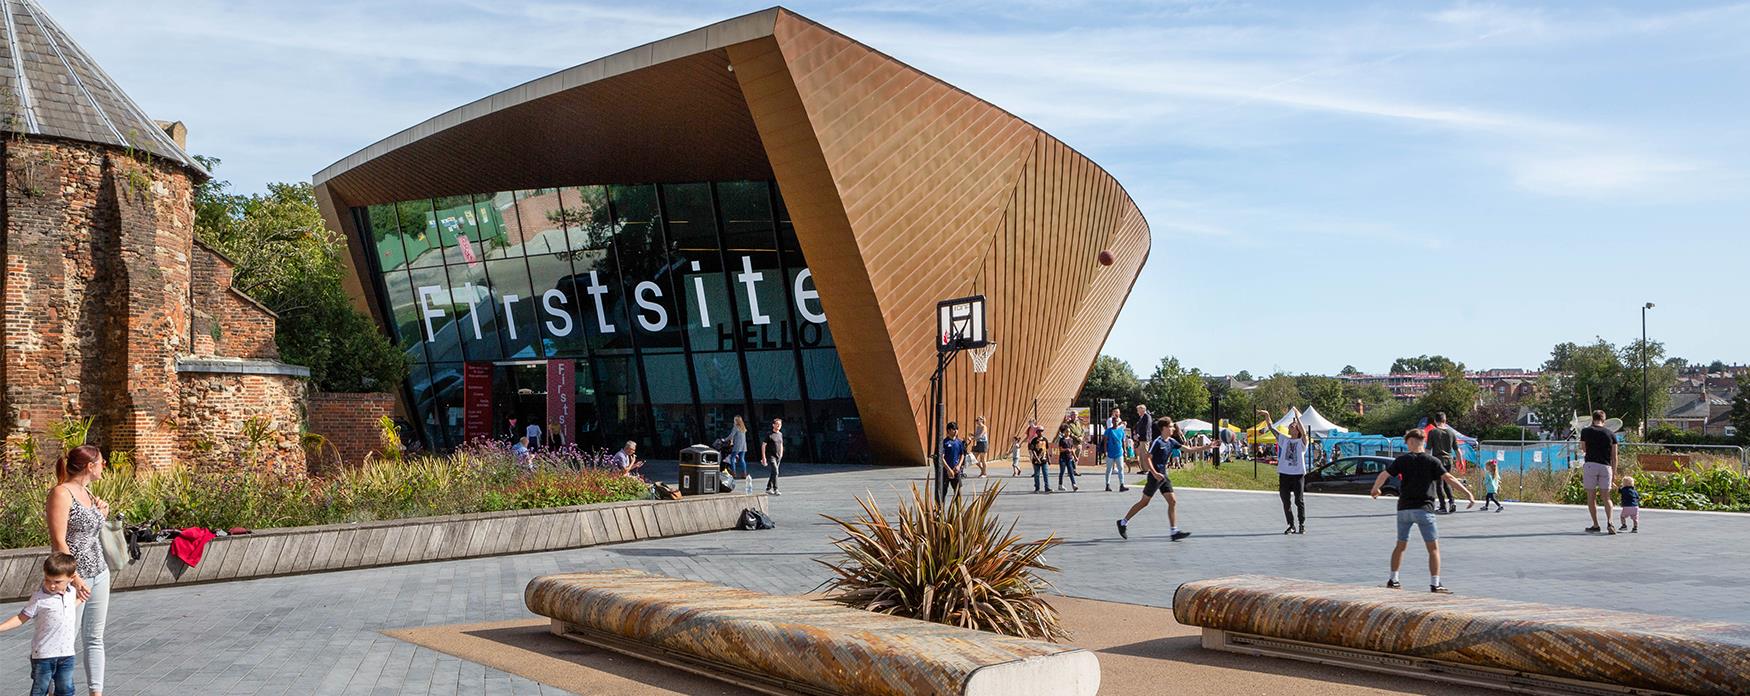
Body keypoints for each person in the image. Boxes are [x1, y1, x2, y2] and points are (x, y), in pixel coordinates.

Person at [1371, 428, 1475, 594]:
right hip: (1424, 510)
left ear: (1411, 442)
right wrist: (1468, 494)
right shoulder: (1432, 461)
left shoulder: (1402, 460)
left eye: (1407, 443)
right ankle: (1435, 584)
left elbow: (1384, 475)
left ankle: (1393, 580)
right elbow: (1449, 478)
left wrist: (1375, 489)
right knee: (1433, 549)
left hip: (1404, 509)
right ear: (1423, 441)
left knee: (1400, 546)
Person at [45, 445, 107, 696]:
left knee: (94, 637)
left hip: (100, 572)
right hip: (72, 578)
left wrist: (102, 513)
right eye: (102, 462)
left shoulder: (88, 493)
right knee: (64, 639)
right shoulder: (61, 493)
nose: (104, 466)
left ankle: (96, 693)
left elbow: (90, 532)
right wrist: (76, 579)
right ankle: (53, 691)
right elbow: (59, 542)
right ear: (89, 466)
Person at [1117, 417, 1215, 540]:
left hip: (1164, 476)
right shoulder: (1157, 442)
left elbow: (1188, 449)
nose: (1173, 428)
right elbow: (1148, 458)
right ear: (1164, 428)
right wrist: (1154, 473)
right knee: (1144, 502)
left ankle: (1174, 531)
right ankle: (1123, 522)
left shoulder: (1171, 441)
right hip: (1155, 477)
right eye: (1171, 426)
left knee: (1172, 501)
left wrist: (1207, 447)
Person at [0, 553, 83, 696]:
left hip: (67, 654)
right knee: (40, 689)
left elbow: (67, 609)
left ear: (71, 578)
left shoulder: (72, 593)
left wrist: (82, 599)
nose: (51, 585)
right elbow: (21, 618)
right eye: (47, 580)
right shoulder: (39, 598)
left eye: (57, 582)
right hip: (44, 655)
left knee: (66, 689)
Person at [1271, 413, 1311, 535]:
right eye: (1291, 425)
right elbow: (1272, 428)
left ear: (1298, 429)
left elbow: (1304, 433)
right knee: (1286, 501)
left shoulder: (1302, 442)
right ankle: (1291, 525)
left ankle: (1302, 524)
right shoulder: (1284, 440)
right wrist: (1267, 415)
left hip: (1298, 475)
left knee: (1299, 501)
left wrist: (1298, 418)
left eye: (1294, 425)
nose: (1291, 426)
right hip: (1284, 475)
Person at [1578, 410, 1618, 534]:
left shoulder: (1585, 431)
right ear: (1604, 420)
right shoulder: (1611, 434)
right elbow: (1615, 456)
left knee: (1591, 496)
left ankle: (1595, 524)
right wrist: (1614, 474)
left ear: (1592, 419)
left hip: (1591, 464)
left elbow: (1583, 449)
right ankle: (1610, 522)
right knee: (1606, 497)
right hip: (1606, 466)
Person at [1426, 412, 1462, 514]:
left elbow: (1428, 449)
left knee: (1439, 484)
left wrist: (1425, 460)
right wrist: (1460, 461)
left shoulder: (1433, 432)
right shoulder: (1451, 433)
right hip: (1449, 461)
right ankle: (1452, 502)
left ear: (1435, 421)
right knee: (1447, 482)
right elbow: (1457, 450)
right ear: (1445, 420)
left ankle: (1442, 506)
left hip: (1437, 461)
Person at [1102, 411, 1130, 493]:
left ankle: (1122, 484)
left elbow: (1123, 441)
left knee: (1121, 468)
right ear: (1112, 422)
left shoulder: (1121, 430)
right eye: (1114, 421)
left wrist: (1124, 450)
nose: (1115, 423)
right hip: (1110, 452)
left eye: (1117, 421)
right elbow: (1105, 441)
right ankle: (1107, 484)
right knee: (1109, 469)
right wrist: (1105, 451)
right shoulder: (1108, 431)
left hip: (1119, 452)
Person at [939, 422, 966, 504]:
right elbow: (941, 457)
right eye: (954, 429)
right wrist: (948, 470)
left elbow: (962, 455)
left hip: (956, 471)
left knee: (958, 492)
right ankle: (940, 511)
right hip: (945, 471)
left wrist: (959, 466)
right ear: (948, 430)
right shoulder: (944, 443)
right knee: (942, 493)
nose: (956, 431)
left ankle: (958, 512)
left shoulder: (959, 442)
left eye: (957, 429)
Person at [725, 416, 751, 491]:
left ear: (736, 421)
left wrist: (725, 440)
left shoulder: (736, 427)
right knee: (742, 459)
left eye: (734, 420)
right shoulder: (743, 428)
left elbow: (731, 436)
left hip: (737, 446)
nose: (733, 421)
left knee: (732, 458)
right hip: (743, 446)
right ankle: (744, 473)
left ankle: (734, 473)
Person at [760, 418, 785, 496]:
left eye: (780, 424)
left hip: (778, 456)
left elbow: (781, 444)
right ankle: (775, 489)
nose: (778, 426)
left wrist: (781, 454)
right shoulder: (769, 435)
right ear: (773, 425)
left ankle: (768, 488)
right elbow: (763, 445)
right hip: (771, 456)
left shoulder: (780, 434)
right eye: (777, 424)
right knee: (776, 471)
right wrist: (764, 457)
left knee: (774, 472)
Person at [1055, 423, 1080, 492]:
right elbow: (1060, 449)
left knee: (1071, 472)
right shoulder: (1061, 440)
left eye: (1069, 431)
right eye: (1067, 431)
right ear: (1064, 432)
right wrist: (1066, 449)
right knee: (1062, 472)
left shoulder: (1071, 440)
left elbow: (1072, 449)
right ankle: (1060, 485)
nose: (1068, 433)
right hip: (1062, 458)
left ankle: (1074, 485)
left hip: (1069, 458)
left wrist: (1075, 457)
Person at [1028, 426, 1051, 493]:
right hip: (1036, 460)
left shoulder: (1045, 440)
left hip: (1044, 459)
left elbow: (1046, 450)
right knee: (1037, 474)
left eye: (1041, 431)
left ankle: (1047, 487)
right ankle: (1037, 488)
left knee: (1045, 474)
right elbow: (1033, 450)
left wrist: (1049, 459)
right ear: (1036, 432)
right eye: (1039, 431)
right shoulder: (1034, 440)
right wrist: (1037, 458)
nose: (1040, 432)